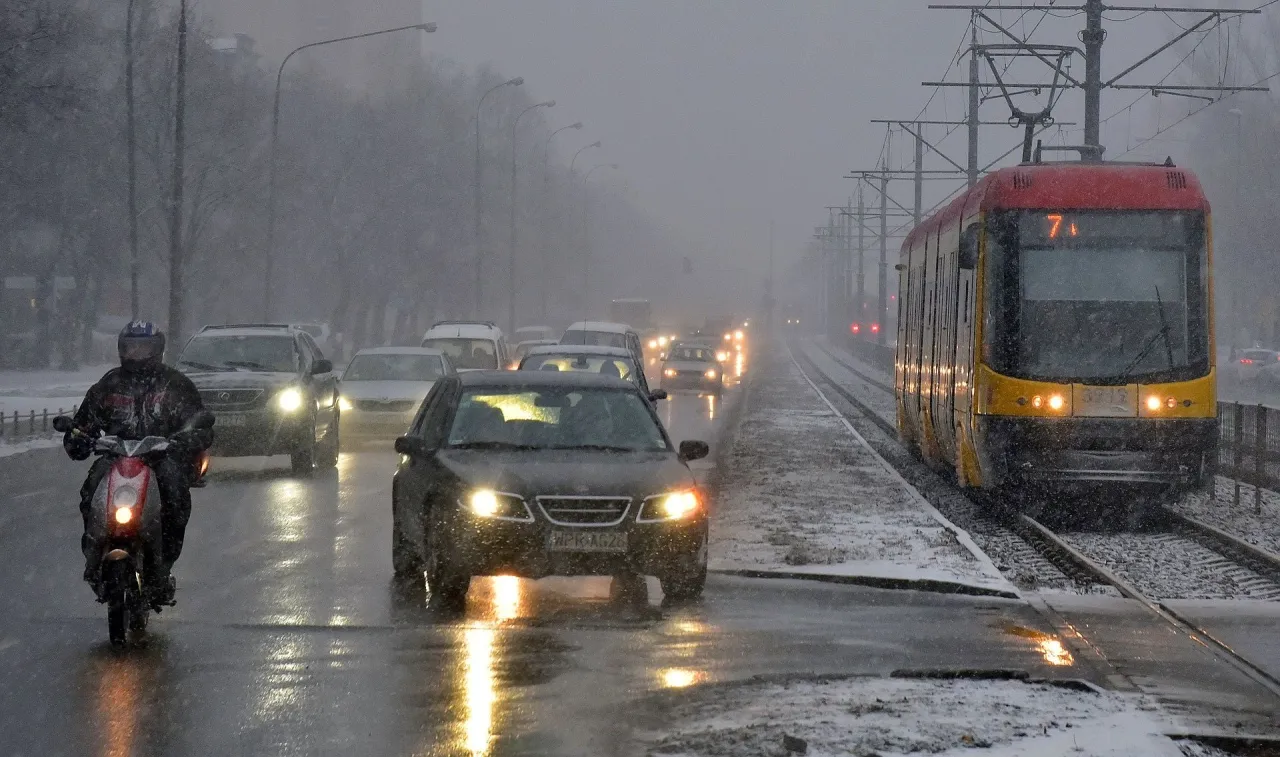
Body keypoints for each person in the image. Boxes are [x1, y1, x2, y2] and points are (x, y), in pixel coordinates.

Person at [64, 321, 210, 605]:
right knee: (90, 491)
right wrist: (79, 437)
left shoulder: (176, 385)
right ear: (121, 349)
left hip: (161, 458)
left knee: (175, 493)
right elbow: (84, 423)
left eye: (144, 347)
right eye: (131, 347)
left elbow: (199, 423)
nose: (137, 353)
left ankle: (162, 564)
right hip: (115, 458)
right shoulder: (109, 384)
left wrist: (185, 440)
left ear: (157, 349)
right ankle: (94, 555)